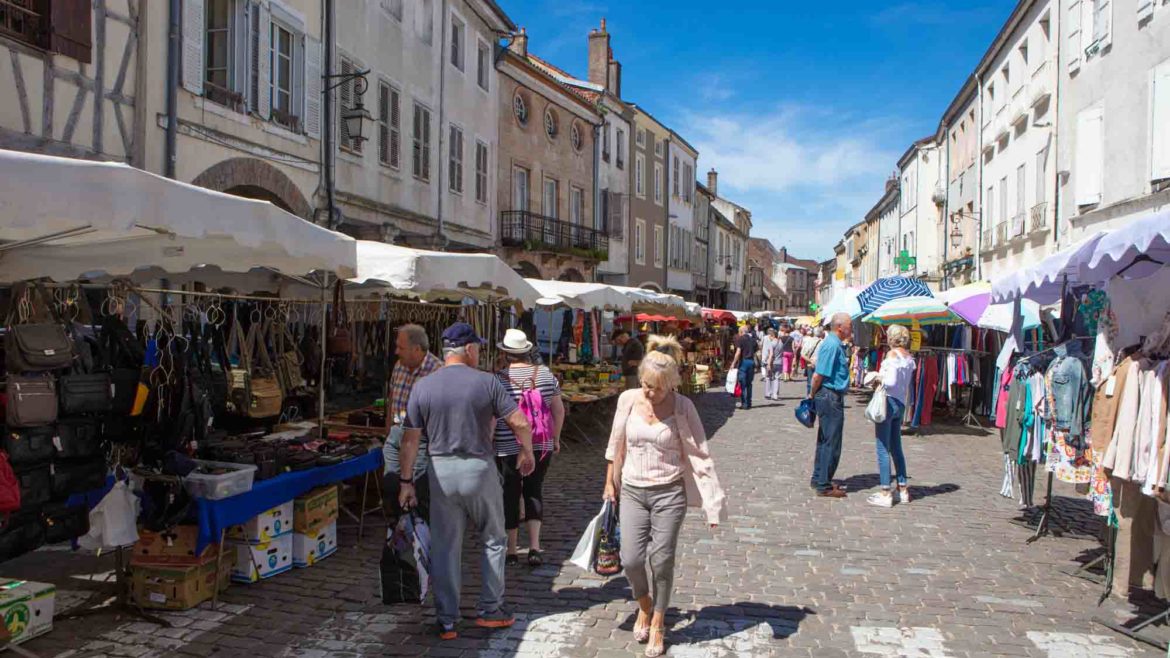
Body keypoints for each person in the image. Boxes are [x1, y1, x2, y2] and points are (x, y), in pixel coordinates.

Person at [398, 323, 536, 641]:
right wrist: (525, 451)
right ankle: (490, 610)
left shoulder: (423, 386)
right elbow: (520, 422)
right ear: (470, 349)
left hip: (440, 471)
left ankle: (447, 621)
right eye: (478, 348)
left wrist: (406, 481)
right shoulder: (487, 382)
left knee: (446, 547)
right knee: (493, 538)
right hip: (478, 468)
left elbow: (409, 441)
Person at [603, 335, 725, 658]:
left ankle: (657, 621)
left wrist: (713, 504)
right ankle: (644, 604)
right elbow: (615, 445)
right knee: (630, 559)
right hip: (631, 488)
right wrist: (609, 483)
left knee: (662, 559)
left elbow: (701, 455)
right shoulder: (628, 400)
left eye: (655, 388)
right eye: (645, 384)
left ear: (671, 384)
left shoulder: (683, 407)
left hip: (669, 492)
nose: (649, 392)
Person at [493, 329, 566, 567]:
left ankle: (512, 550)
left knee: (510, 493)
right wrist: (555, 438)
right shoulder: (546, 375)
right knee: (534, 490)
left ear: (505, 353)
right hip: (539, 442)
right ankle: (534, 547)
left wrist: (488, 441)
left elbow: (493, 416)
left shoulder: (498, 379)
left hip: (507, 444)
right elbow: (558, 410)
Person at [383, 324, 442, 521]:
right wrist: (388, 430)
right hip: (396, 435)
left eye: (401, 347)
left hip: (420, 441)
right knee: (392, 485)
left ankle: (418, 535)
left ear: (416, 349)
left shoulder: (437, 372)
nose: (396, 351)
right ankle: (397, 531)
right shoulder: (399, 366)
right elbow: (392, 399)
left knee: (415, 490)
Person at [867, 325, 915, 508]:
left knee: (882, 447)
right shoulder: (909, 357)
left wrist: (878, 377)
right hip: (901, 403)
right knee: (897, 447)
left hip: (888, 402)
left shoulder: (892, 355)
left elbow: (891, 381)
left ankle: (885, 491)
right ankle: (903, 488)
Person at [807, 313, 853, 498]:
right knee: (831, 442)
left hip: (829, 395)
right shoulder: (832, 345)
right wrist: (811, 395)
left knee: (825, 439)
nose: (852, 329)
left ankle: (819, 478)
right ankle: (824, 484)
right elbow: (819, 374)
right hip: (829, 396)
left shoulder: (836, 344)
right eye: (850, 325)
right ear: (840, 327)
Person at [729, 324, 759, 410]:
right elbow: (757, 352)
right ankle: (749, 403)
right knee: (749, 384)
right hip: (751, 362)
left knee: (743, 383)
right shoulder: (753, 340)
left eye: (739, 332)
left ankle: (744, 403)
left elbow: (738, 352)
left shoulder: (740, 339)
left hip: (744, 362)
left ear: (741, 332)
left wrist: (733, 363)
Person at [801, 326, 825, 397]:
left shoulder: (809, 341)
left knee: (809, 383)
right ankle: (817, 400)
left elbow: (802, 354)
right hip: (820, 365)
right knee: (819, 383)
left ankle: (809, 399)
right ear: (821, 333)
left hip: (810, 365)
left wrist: (810, 361)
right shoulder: (823, 343)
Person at [761, 327, 781, 401]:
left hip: (771, 362)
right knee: (777, 378)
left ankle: (768, 393)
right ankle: (775, 394)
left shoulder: (771, 343)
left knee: (768, 377)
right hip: (779, 362)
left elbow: (771, 354)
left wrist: (768, 363)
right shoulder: (781, 342)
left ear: (773, 336)